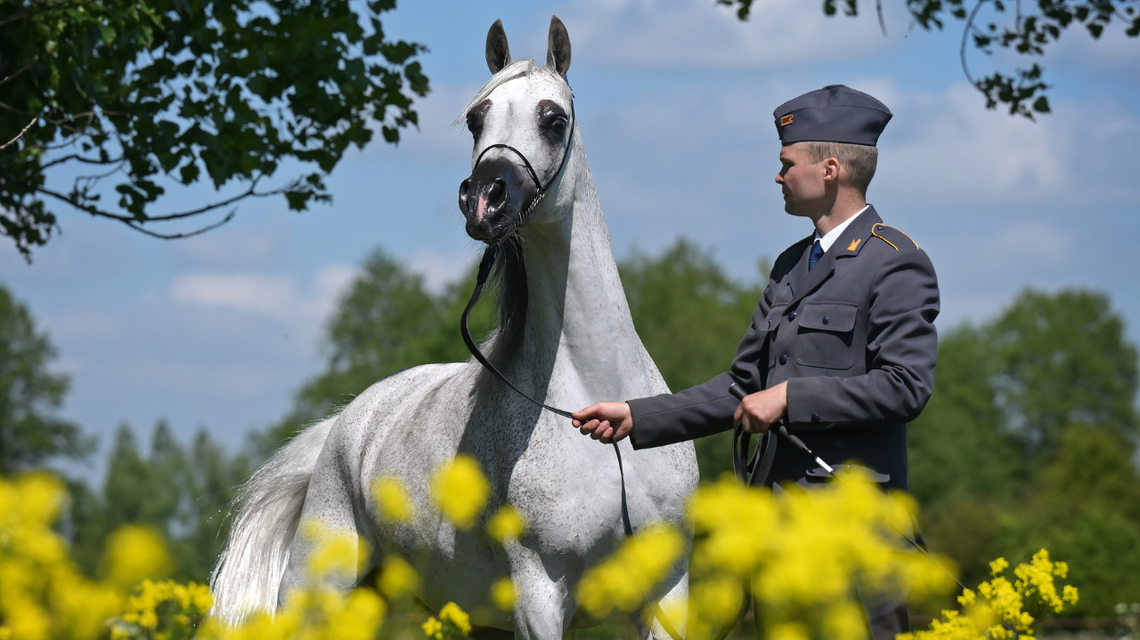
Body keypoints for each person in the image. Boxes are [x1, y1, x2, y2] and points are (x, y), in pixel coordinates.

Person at [572, 84, 939, 639]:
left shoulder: (896, 263)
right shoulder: (791, 265)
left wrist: (791, 397)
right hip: (775, 531)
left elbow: (905, 387)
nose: (778, 176)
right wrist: (637, 415)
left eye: (786, 163)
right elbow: (743, 387)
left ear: (831, 169)